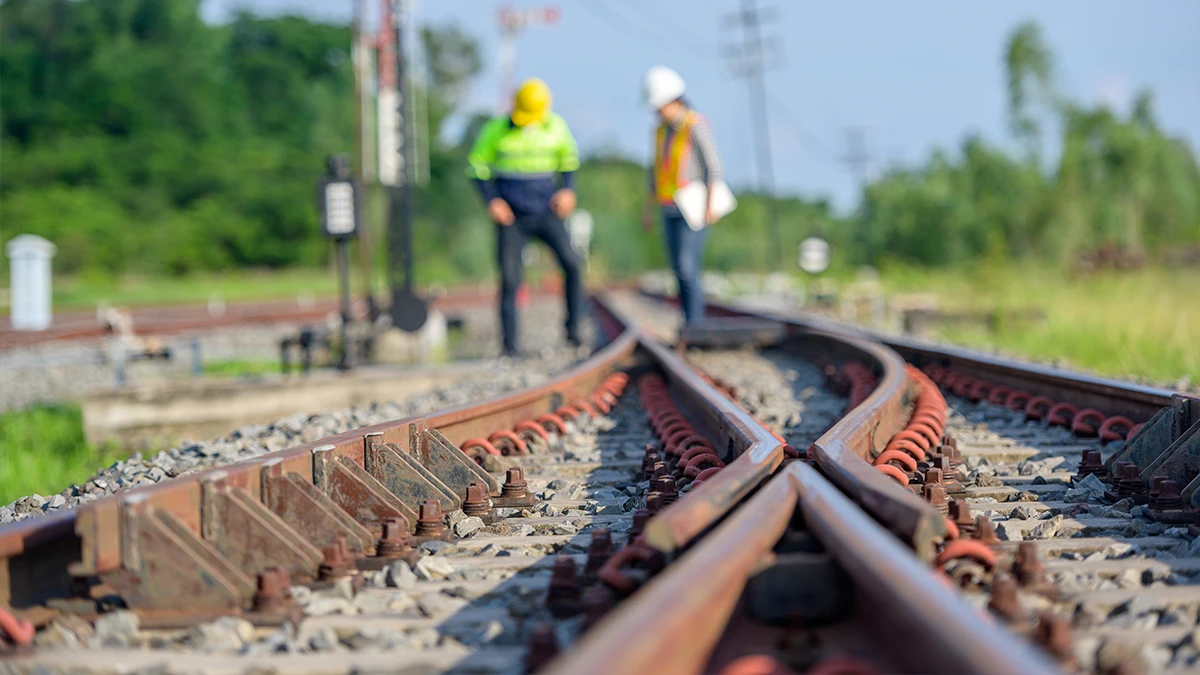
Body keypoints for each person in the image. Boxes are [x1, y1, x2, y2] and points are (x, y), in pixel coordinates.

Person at [467, 78, 584, 356]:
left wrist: (568, 191)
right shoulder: (496, 129)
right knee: (510, 277)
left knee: (573, 265)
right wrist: (492, 200)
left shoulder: (556, 127)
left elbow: (569, 161)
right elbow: (476, 167)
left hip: (547, 211)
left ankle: (574, 330)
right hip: (511, 215)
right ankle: (510, 345)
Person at [641, 65, 726, 326]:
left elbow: (713, 168)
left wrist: (710, 207)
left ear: (672, 100)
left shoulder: (695, 126)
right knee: (678, 269)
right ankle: (689, 321)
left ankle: (696, 323)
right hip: (668, 207)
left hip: (693, 209)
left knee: (688, 266)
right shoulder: (660, 131)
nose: (658, 112)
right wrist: (648, 209)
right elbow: (654, 172)